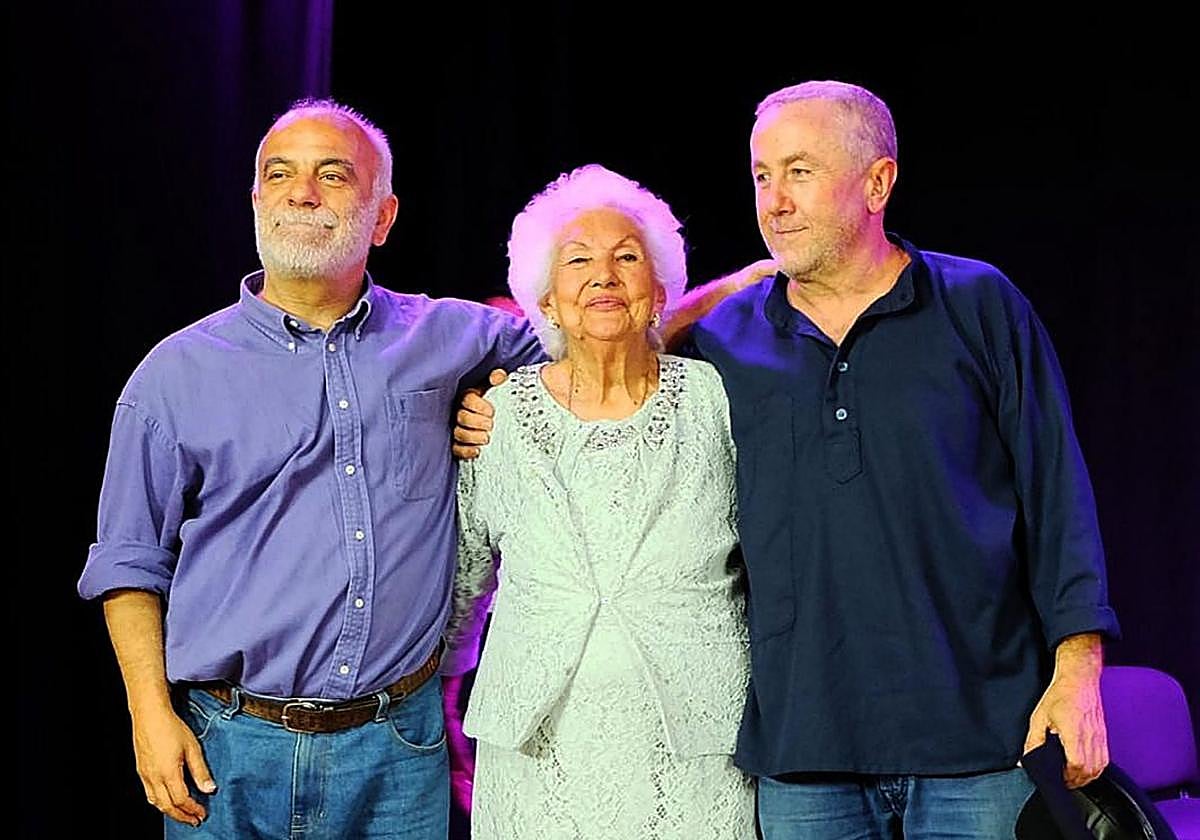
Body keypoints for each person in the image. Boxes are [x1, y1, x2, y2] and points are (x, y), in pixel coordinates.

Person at [456, 81, 1120, 838]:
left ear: (878, 182)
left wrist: (1079, 671)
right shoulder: (728, 342)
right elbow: (609, 335)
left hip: (980, 738)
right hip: (805, 756)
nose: (774, 199)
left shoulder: (979, 304)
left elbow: (1057, 494)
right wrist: (493, 403)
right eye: (762, 175)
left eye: (799, 171)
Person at [77, 98, 547, 838]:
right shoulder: (174, 374)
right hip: (227, 750)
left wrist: (509, 399)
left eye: (333, 175)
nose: (302, 193)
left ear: (383, 216)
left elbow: (602, 349)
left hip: (399, 749)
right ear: (257, 199)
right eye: (280, 174)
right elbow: (129, 564)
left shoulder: (451, 335)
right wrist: (148, 715)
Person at [442, 164, 757, 839]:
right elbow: (466, 578)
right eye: (578, 260)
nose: (604, 275)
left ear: (660, 292)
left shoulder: (718, 402)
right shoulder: (498, 417)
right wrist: (441, 690)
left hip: (699, 749)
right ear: (547, 302)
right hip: (536, 747)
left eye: (626, 257)